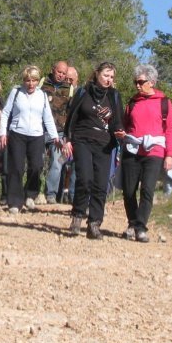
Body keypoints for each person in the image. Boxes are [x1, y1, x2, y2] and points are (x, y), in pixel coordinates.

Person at [62, 61, 122, 239]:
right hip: (82, 140)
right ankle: (77, 216)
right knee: (85, 179)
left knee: (100, 184)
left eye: (111, 77)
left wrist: (119, 130)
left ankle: (94, 224)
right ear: (96, 74)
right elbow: (71, 117)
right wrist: (67, 139)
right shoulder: (83, 92)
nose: (108, 80)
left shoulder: (114, 96)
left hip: (105, 144)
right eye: (105, 75)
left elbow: (118, 121)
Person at [120, 64, 172, 242]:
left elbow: (170, 130)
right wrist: (122, 134)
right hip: (133, 149)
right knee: (129, 190)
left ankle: (140, 227)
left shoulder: (164, 103)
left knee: (147, 190)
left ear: (151, 82)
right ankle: (132, 223)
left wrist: (169, 155)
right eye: (135, 82)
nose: (137, 85)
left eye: (141, 82)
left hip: (155, 152)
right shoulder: (132, 102)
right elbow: (125, 125)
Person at [0, 66, 60, 214]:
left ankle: (30, 194)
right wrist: (2, 133)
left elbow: (48, 118)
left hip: (37, 135)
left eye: (34, 80)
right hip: (17, 133)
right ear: (23, 81)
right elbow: (6, 113)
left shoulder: (42, 95)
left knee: (36, 166)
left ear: (38, 81)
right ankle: (14, 201)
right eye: (27, 80)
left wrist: (55, 137)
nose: (31, 84)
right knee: (17, 168)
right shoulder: (16, 92)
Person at [41, 60, 72, 203]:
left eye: (64, 73)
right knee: (37, 162)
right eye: (59, 72)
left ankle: (51, 195)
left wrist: (68, 135)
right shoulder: (42, 83)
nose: (61, 75)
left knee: (56, 163)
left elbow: (71, 112)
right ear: (53, 69)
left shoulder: (69, 89)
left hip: (59, 131)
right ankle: (32, 192)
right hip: (39, 129)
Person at [60, 66, 79, 203]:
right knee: (60, 163)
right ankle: (58, 195)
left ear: (76, 79)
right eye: (65, 78)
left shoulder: (81, 93)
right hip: (61, 132)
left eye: (70, 79)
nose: (68, 81)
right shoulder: (60, 92)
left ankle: (72, 196)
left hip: (76, 135)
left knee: (73, 166)